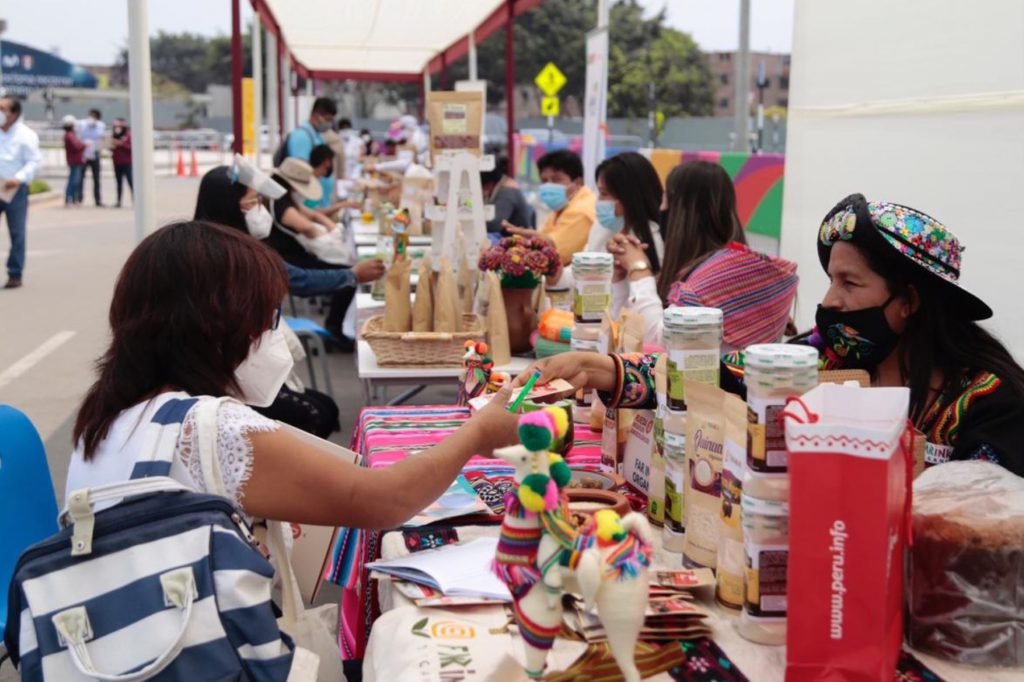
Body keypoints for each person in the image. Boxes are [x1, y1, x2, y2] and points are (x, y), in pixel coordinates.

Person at [67, 222, 520, 601]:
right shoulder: (212, 428)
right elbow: (385, 499)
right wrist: (480, 431)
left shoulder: (113, 412)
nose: (273, 335)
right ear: (215, 327)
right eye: (265, 319)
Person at [516, 194, 1024, 476]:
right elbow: (732, 375)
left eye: (850, 282)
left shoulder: (990, 401)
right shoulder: (823, 357)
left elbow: (982, 524)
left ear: (909, 302)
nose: (829, 302)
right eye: (830, 281)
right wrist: (611, 370)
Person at [607, 160, 798, 348]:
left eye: (665, 201)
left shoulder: (718, 277)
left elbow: (658, 343)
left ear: (682, 214)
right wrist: (623, 279)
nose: (661, 209)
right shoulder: (719, 268)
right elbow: (629, 338)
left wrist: (638, 269)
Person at [194, 159, 384, 298]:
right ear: (228, 206)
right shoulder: (242, 254)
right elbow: (298, 279)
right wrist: (353, 275)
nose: (258, 207)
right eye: (252, 201)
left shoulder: (193, 241)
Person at [270, 157, 361, 350]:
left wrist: (329, 226)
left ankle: (336, 329)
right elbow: (306, 227)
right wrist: (326, 232)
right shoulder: (281, 204)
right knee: (347, 277)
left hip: (293, 256)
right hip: (291, 261)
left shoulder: (283, 198)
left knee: (345, 272)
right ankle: (334, 332)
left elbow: (312, 215)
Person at [509, 149, 596, 267]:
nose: (548, 185)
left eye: (556, 180)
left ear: (577, 182)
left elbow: (556, 254)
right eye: (544, 181)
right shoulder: (561, 208)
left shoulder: (582, 210)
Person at [0, 97, 41, 290]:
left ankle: (14, 273)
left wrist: (18, 178)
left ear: (14, 113)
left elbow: (34, 161)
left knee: (17, 233)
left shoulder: (26, 135)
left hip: (15, 189)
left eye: (2, 109)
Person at [481, 155, 530, 237]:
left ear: (488, 185)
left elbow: (495, 225)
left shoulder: (507, 192)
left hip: (516, 243)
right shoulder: (500, 187)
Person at [309, 143, 359, 219]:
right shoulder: (310, 183)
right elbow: (316, 212)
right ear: (327, 162)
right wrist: (345, 204)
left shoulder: (316, 180)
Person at [79, 108, 106, 206]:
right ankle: (79, 198)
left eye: (95, 116)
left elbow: (102, 139)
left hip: (95, 154)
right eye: (91, 115)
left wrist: (101, 149)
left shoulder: (100, 126)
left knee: (97, 179)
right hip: (84, 154)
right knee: (81, 178)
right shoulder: (83, 124)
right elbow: (79, 136)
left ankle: (98, 200)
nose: (92, 118)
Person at [61, 114, 85, 207]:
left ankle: (73, 199)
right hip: (74, 161)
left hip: (76, 161)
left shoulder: (71, 134)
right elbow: (77, 146)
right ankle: (69, 199)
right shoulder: (70, 135)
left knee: (75, 181)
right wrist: (84, 145)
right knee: (73, 181)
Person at [110, 117, 132, 208]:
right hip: (117, 162)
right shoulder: (114, 135)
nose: (117, 128)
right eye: (115, 127)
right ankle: (118, 201)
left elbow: (131, 148)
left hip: (127, 162)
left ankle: (136, 200)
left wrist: (120, 144)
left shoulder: (129, 135)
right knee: (118, 183)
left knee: (131, 181)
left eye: (119, 126)